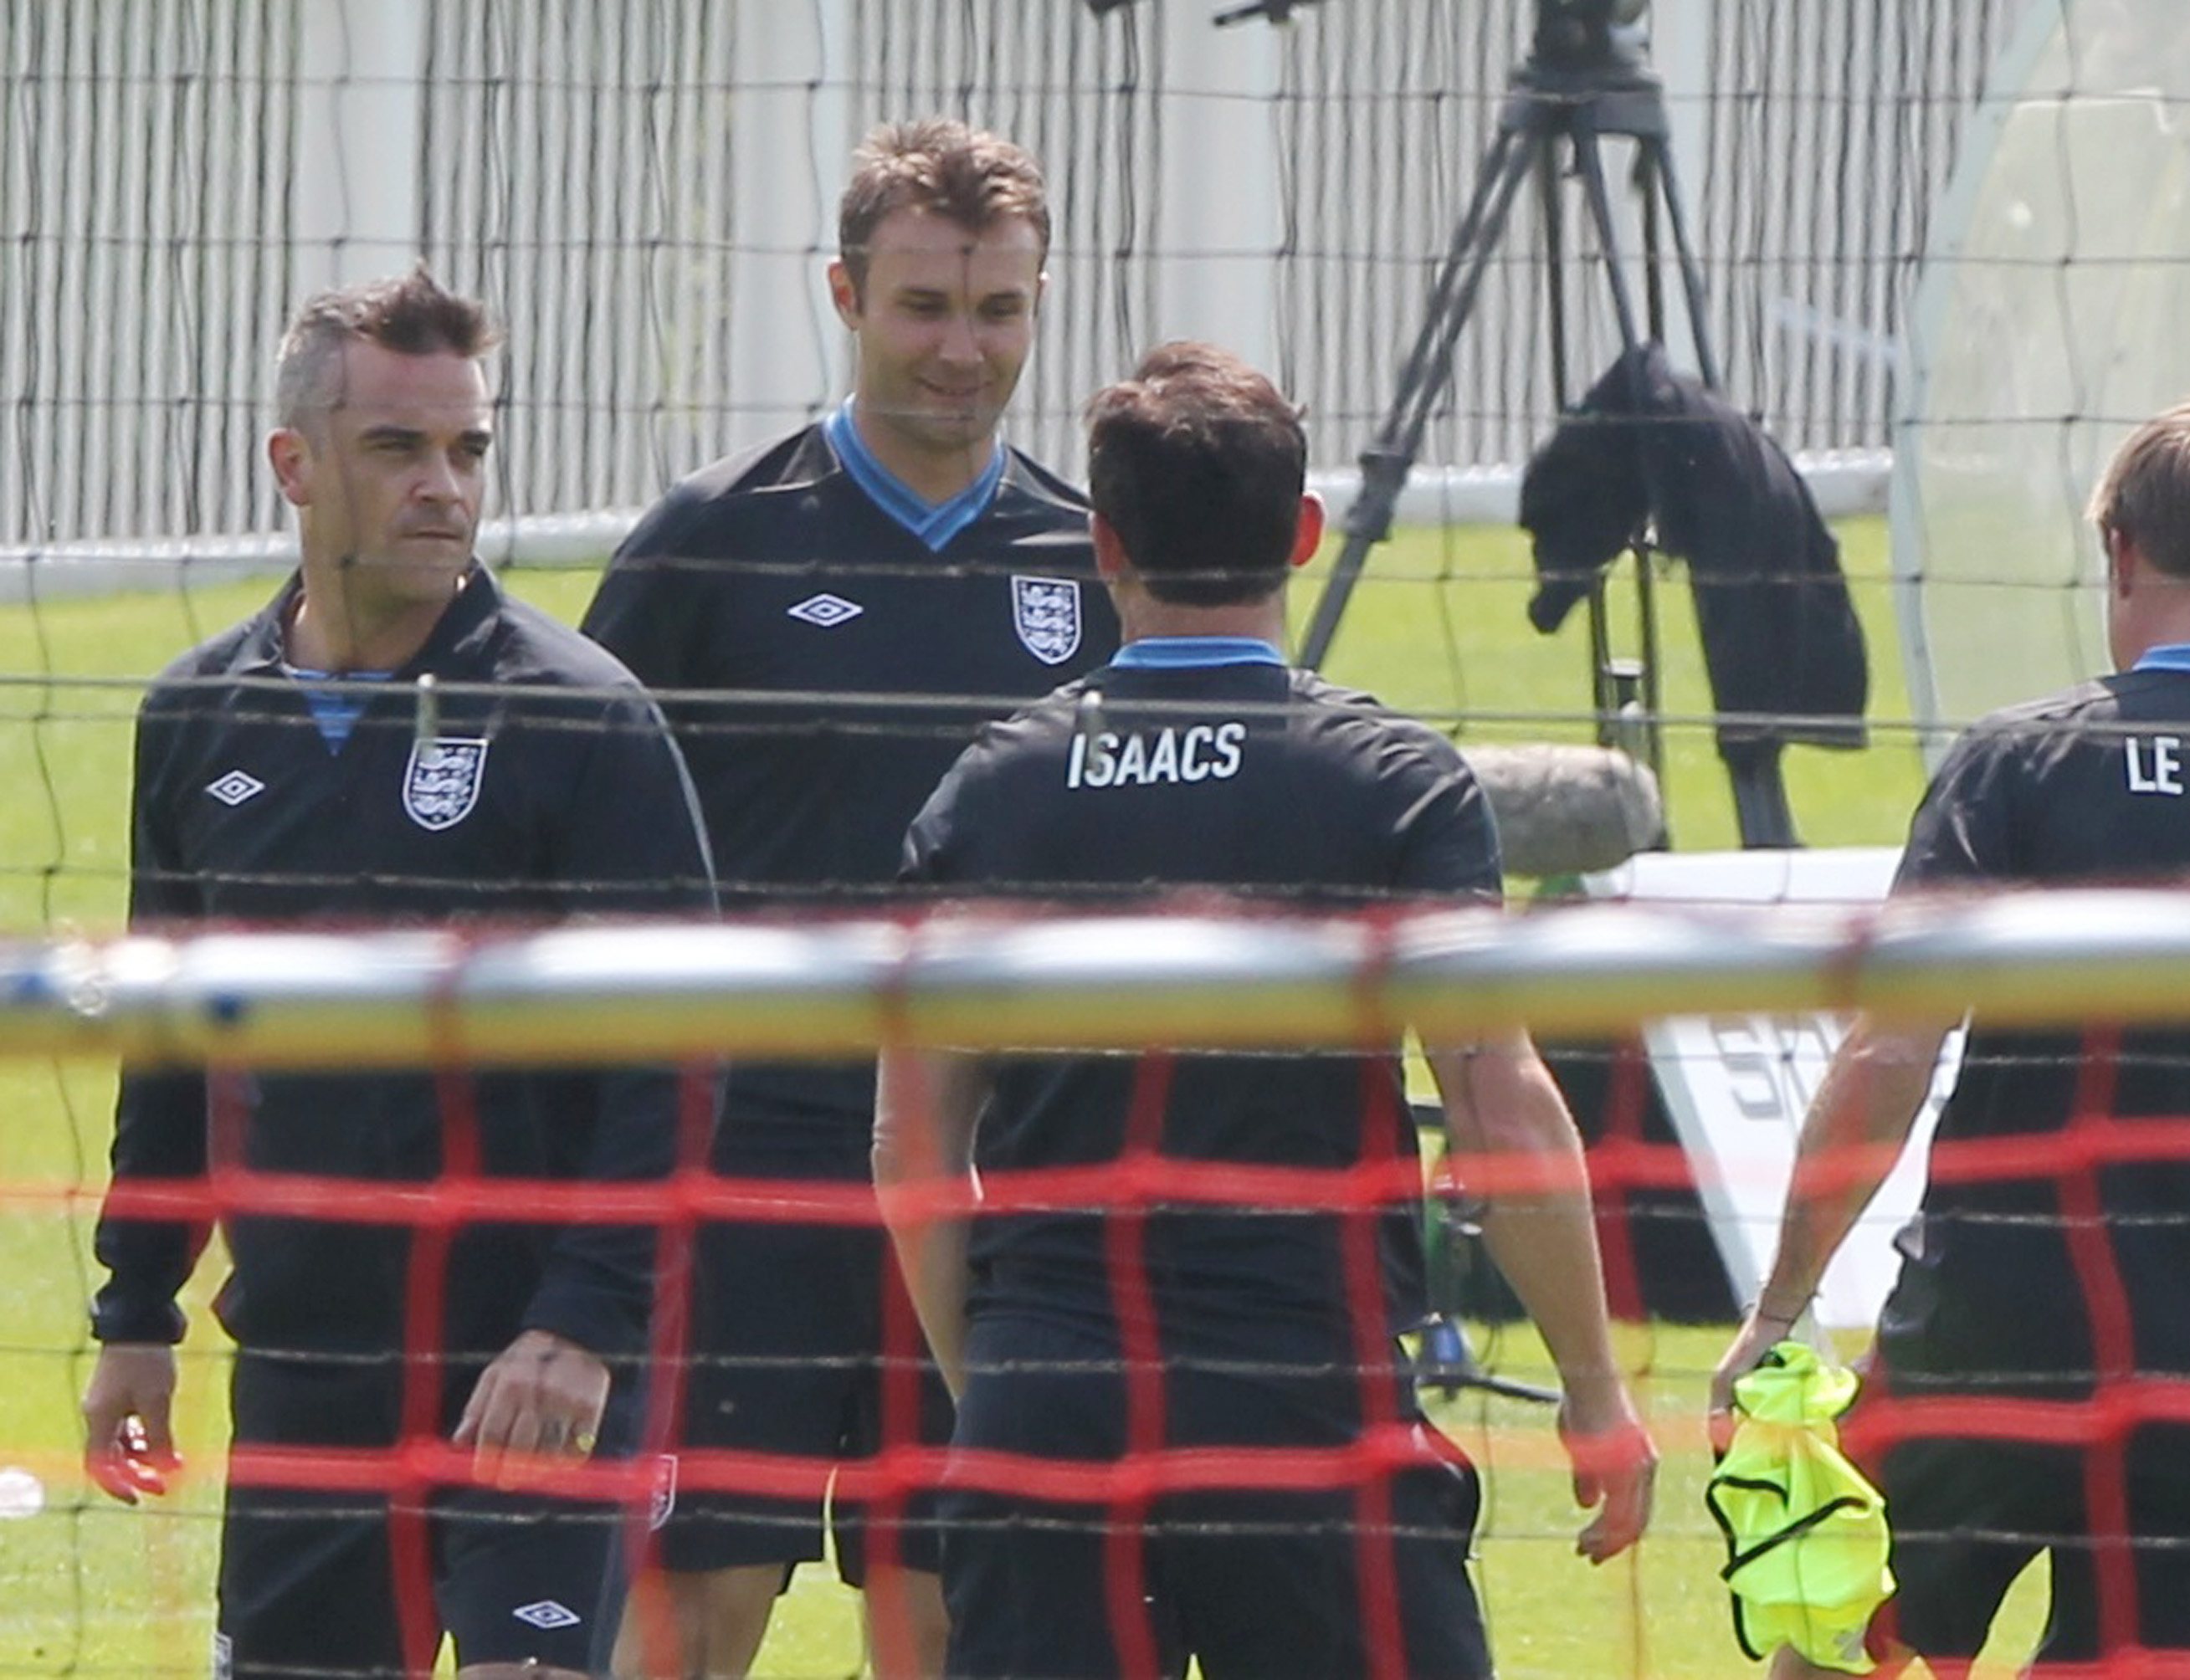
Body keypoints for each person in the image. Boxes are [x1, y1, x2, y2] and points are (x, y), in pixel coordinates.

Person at [873, 341, 1658, 1680]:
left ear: (1103, 541)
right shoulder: (1389, 782)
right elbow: (1496, 1108)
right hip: (1306, 1403)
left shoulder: (992, 788)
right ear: (1303, 531)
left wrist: (994, 1385)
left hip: (1052, 1402)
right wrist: (1593, 1389)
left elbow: (912, 1148)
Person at [1708, 398, 2190, 1676]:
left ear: (2120, 551)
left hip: (1993, 1338)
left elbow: (1889, 1058)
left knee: (1835, 1653)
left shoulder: (2019, 767)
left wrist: (1778, 1308)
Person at [79, 268, 715, 1679]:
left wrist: (582, 1326)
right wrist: (136, 1309)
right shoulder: (199, 716)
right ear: (293, 465)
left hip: (531, 1363)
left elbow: (677, 1058)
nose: (445, 486)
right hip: (309, 1370)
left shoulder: (579, 716)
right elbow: (169, 1043)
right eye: (397, 448)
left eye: (467, 448)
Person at [580, 118, 1117, 1677]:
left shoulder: (1092, 559)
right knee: (696, 1608)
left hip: (982, 1177)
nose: (963, 349)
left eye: (999, 310)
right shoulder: (713, 542)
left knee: (945, 1613)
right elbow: (583, 842)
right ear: (844, 294)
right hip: (744, 1173)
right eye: (924, 307)